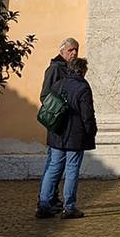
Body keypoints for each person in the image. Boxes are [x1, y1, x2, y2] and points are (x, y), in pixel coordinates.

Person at [36, 58, 96, 219]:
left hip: (56, 133)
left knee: (53, 169)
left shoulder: (58, 84)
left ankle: (44, 205)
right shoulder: (83, 87)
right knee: (71, 170)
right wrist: (91, 132)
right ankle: (69, 207)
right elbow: (87, 115)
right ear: (82, 71)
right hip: (75, 136)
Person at [38, 37, 78, 209]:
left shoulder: (69, 69)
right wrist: (61, 106)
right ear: (62, 51)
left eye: (76, 49)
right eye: (70, 50)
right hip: (58, 122)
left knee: (58, 164)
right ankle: (46, 199)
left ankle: (50, 198)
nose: (74, 53)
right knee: (54, 164)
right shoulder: (55, 69)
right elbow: (45, 95)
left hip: (66, 124)